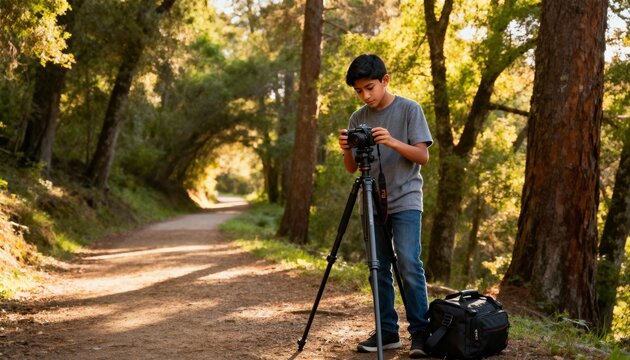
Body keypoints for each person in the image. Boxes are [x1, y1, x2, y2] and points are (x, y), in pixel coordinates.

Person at [338, 54, 433, 358]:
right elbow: (351, 168)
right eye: (359, 91)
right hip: (370, 199)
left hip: (405, 198)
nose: (366, 96)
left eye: (370, 88)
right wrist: (346, 150)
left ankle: (421, 333)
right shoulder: (357, 118)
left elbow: (422, 156)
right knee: (377, 267)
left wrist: (391, 142)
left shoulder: (409, 109)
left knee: (407, 262)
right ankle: (387, 331)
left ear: (385, 80)